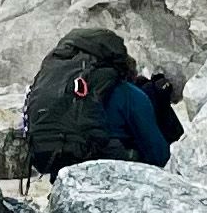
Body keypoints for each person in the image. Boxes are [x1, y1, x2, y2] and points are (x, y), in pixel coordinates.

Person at [22, 24, 182, 172]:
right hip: (112, 177)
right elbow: (160, 157)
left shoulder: (56, 89)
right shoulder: (130, 94)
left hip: (57, 169)